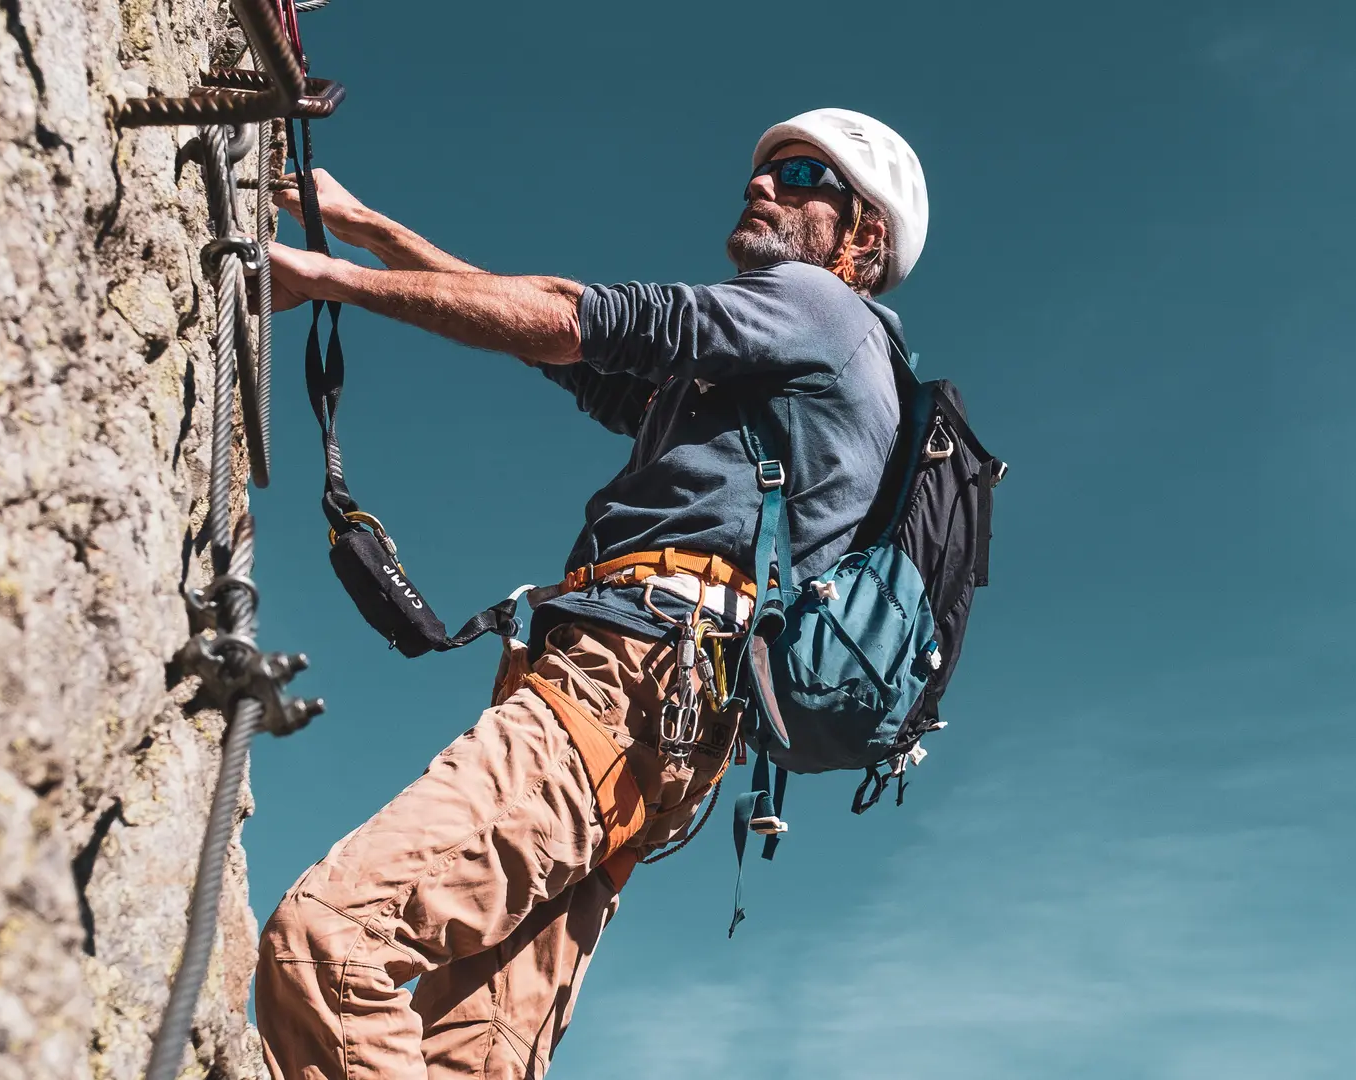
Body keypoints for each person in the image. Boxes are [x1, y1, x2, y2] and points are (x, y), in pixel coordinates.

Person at [253, 107, 930, 1080]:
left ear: (864, 234)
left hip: (627, 684)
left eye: (802, 175)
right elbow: (549, 336)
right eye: (766, 166)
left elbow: (584, 319)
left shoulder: (820, 310)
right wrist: (368, 227)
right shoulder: (791, 385)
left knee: (330, 948)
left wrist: (327, 279)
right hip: (673, 721)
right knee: (474, 1062)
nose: (763, 183)